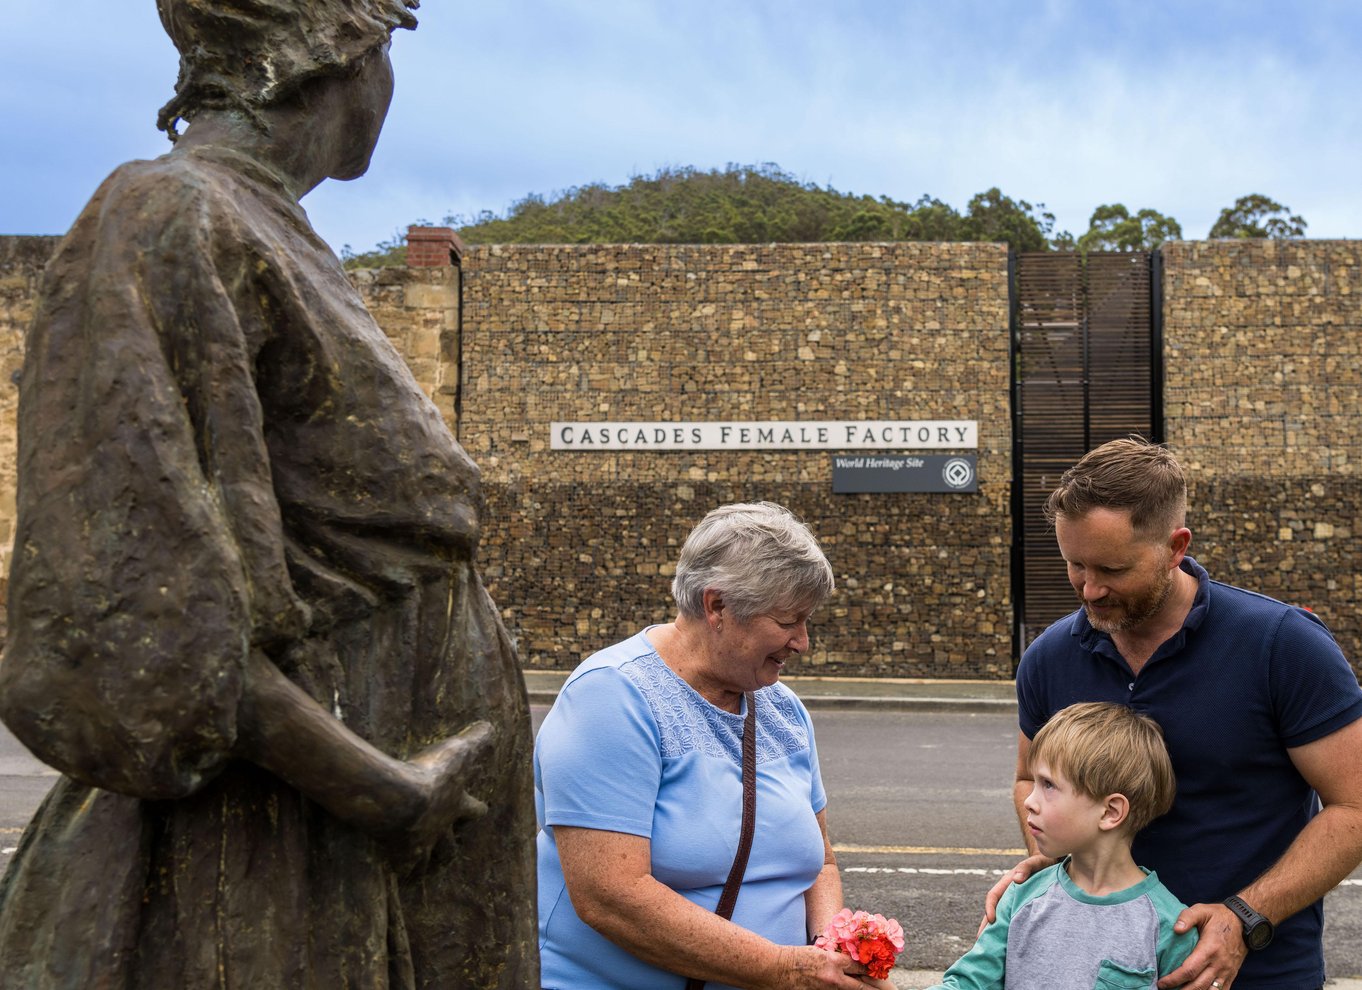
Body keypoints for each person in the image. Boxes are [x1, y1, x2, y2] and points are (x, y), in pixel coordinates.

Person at [0, 2, 537, 986]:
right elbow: (136, 611)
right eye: (387, 52)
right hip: (278, 849)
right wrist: (379, 789)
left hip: (373, 843)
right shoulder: (165, 214)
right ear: (339, 56)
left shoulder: (273, 232)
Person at [986, 438, 1362, 990]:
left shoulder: (1282, 645)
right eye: (1074, 564)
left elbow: (1353, 807)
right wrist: (1050, 861)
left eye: (1112, 568)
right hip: (1094, 973)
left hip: (1257, 975)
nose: (1089, 589)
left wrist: (1244, 916)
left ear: (1175, 546)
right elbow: (1027, 779)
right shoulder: (1049, 658)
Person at [534, 502, 892, 990]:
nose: (802, 642)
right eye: (789, 621)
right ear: (717, 606)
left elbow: (820, 862)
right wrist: (786, 970)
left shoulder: (782, 709)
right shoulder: (611, 696)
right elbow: (610, 894)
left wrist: (834, 947)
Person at [931, 702, 1196, 989]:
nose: (1029, 802)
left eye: (1048, 785)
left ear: (1110, 812)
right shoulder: (1022, 898)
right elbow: (969, 982)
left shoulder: (1170, 928)